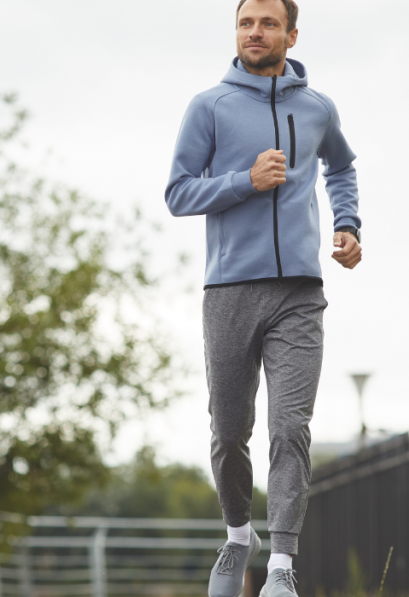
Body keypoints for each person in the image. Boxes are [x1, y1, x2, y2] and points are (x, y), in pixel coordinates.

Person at [164, 0, 363, 595]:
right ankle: (236, 537)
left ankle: (280, 567)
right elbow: (178, 193)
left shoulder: (317, 107)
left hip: (300, 293)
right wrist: (244, 182)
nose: (255, 32)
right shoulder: (211, 106)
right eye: (246, 23)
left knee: (290, 427)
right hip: (229, 290)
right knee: (229, 432)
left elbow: (343, 169)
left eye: (268, 23)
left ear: (290, 35)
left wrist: (348, 224)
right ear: (237, 32)